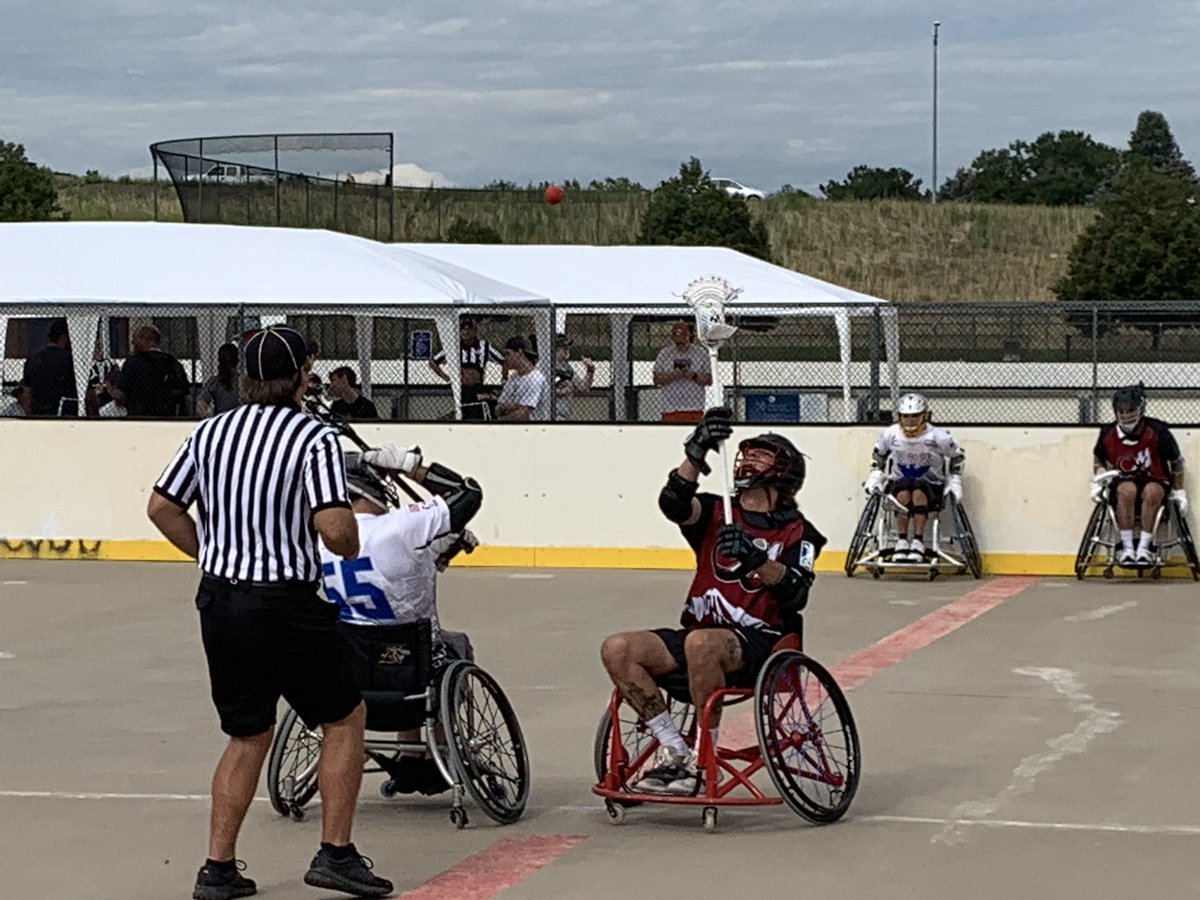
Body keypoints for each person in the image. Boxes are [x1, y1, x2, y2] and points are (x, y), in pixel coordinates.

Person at [146, 326, 392, 900]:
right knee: (343, 718)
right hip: (286, 602)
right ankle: (336, 852)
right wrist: (351, 540)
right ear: (303, 373)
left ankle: (218, 868)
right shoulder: (314, 439)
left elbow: (162, 507)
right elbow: (334, 528)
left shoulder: (208, 434)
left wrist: (209, 552)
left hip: (222, 598)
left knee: (248, 732)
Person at [599, 407, 825, 795]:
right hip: (697, 636)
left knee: (700, 643)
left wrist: (756, 559)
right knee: (618, 648)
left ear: (784, 471)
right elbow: (673, 503)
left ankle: (706, 756)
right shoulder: (718, 510)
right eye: (747, 451)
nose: (748, 457)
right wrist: (696, 451)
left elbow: (796, 591)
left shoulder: (798, 532)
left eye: (761, 453)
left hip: (760, 644)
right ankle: (675, 751)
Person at [319, 445, 483, 794]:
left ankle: (408, 758)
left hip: (351, 673)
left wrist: (437, 550)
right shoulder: (399, 527)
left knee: (380, 645)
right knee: (453, 647)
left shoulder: (320, 540)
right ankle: (441, 752)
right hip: (414, 671)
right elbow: (468, 494)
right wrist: (411, 467)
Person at [862, 392, 965, 563]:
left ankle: (917, 541)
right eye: (906, 416)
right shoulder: (891, 434)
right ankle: (902, 540)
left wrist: (954, 480)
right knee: (903, 492)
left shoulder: (938, 436)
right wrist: (876, 476)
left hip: (931, 483)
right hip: (900, 482)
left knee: (918, 490)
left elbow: (957, 456)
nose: (910, 420)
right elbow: (879, 455)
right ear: (900, 417)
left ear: (924, 416)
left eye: (915, 416)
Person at [1092, 382, 1186, 566]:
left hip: (1155, 478)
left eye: (1130, 410)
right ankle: (1127, 549)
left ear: (1141, 409)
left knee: (1152, 492)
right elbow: (1098, 459)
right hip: (1124, 479)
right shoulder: (1107, 433)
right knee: (1126, 491)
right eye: (1122, 411)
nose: (1126, 415)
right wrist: (1098, 480)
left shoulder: (1158, 431)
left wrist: (1180, 491)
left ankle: (1144, 548)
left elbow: (1177, 462)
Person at [430, 317, 506, 420]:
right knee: (467, 411)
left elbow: (503, 361)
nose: (466, 332)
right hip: (462, 387)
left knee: (480, 410)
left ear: (475, 331)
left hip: (478, 385)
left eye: (469, 329)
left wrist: (504, 378)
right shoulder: (454, 347)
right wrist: (447, 378)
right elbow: (433, 362)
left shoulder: (483, 346)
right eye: (463, 329)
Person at [121, 324, 190, 417]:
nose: (133, 342)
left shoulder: (133, 363)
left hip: (138, 417)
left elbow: (122, 394)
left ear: (149, 340)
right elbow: (185, 393)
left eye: (137, 338)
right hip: (167, 416)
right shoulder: (172, 362)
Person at [652, 320, 712, 423]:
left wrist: (693, 376)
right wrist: (673, 376)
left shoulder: (701, 353)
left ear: (689, 336)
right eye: (677, 343)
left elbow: (709, 380)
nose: (680, 346)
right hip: (670, 409)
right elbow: (656, 379)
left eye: (683, 342)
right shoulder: (665, 354)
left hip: (694, 408)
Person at [22, 317, 76, 417]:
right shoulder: (71, 360)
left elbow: (27, 394)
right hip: (67, 414)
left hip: (39, 414)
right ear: (64, 337)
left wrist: (29, 416)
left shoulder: (33, 359)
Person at [494, 335, 550, 421]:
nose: (506, 359)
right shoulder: (513, 378)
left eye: (508, 354)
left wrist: (502, 418)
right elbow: (497, 409)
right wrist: (513, 407)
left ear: (520, 353)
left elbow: (523, 415)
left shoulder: (535, 378)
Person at [553, 333, 595, 421]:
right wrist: (560, 391)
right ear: (555, 348)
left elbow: (583, 388)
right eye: (564, 347)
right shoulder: (548, 365)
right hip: (551, 415)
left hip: (564, 415)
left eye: (568, 347)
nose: (567, 349)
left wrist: (590, 370)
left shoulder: (567, 367)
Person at [197, 343, 242, 417]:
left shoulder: (214, 382)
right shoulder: (244, 382)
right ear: (237, 361)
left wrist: (208, 417)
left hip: (220, 420)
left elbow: (201, 405)